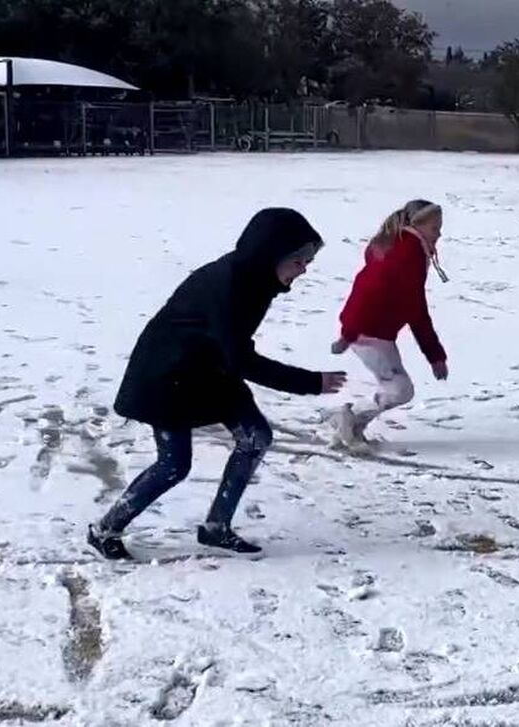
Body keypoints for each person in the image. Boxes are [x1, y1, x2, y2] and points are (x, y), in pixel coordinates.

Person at [89, 208, 347, 560]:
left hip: (210, 369)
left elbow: (234, 352)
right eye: (300, 260)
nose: (305, 269)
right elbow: (242, 358)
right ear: (272, 255)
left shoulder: (257, 280)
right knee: (174, 465)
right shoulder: (228, 286)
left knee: (256, 437)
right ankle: (105, 529)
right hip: (167, 376)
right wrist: (310, 382)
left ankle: (216, 528)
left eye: (308, 260)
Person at [330, 200, 449, 446]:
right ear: (416, 226)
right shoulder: (405, 255)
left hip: (377, 334)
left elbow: (415, 309)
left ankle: (351, 427)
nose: (439, 234)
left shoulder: (409, 252)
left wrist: (435, 355)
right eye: (435, 228)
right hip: (366, 334)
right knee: (399, 389)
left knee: (397, 388)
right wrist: (349, 334)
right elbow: (367, 290)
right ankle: (348, 418)